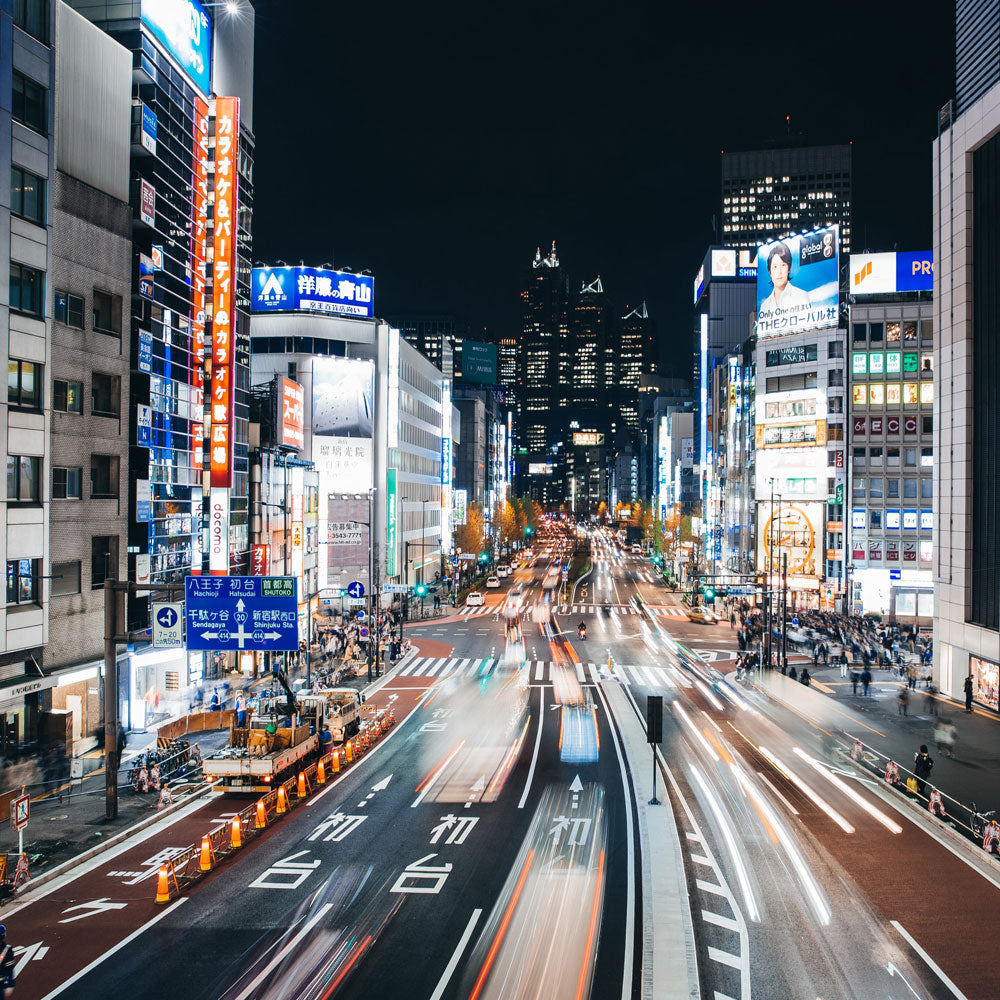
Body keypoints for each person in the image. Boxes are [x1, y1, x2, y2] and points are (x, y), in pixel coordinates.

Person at [759, 242, 811, 318]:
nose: (779, 272)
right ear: (770, 272)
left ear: (788, 268)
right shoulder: (764, 306)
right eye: (775, 267)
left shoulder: (801, 296)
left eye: (783, 265)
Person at [0, 924, 15, 996]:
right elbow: (10, 970)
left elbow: (9, 969)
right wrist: (10, 985)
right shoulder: (7, 949)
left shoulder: (7, 949)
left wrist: (10, 985)